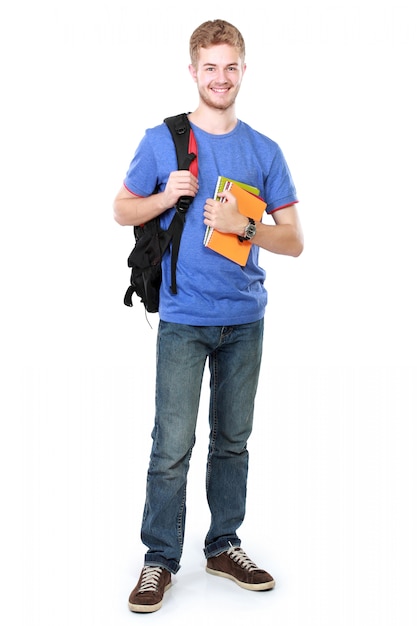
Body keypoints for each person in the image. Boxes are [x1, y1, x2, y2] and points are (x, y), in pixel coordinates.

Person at [113, 19, 303, 613]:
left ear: (243, 71)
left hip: (245, 317)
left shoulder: (264, 150)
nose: (220, 78)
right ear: (193, 72)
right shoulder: (160, 140)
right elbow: (121, 209)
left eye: (230, 67)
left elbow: (294, 240)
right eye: (210, 67)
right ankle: (159, 559)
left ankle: (223, 545)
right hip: (183, 316)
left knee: (233, 441)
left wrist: (242, 227)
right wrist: (167, 196)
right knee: (171, 444)